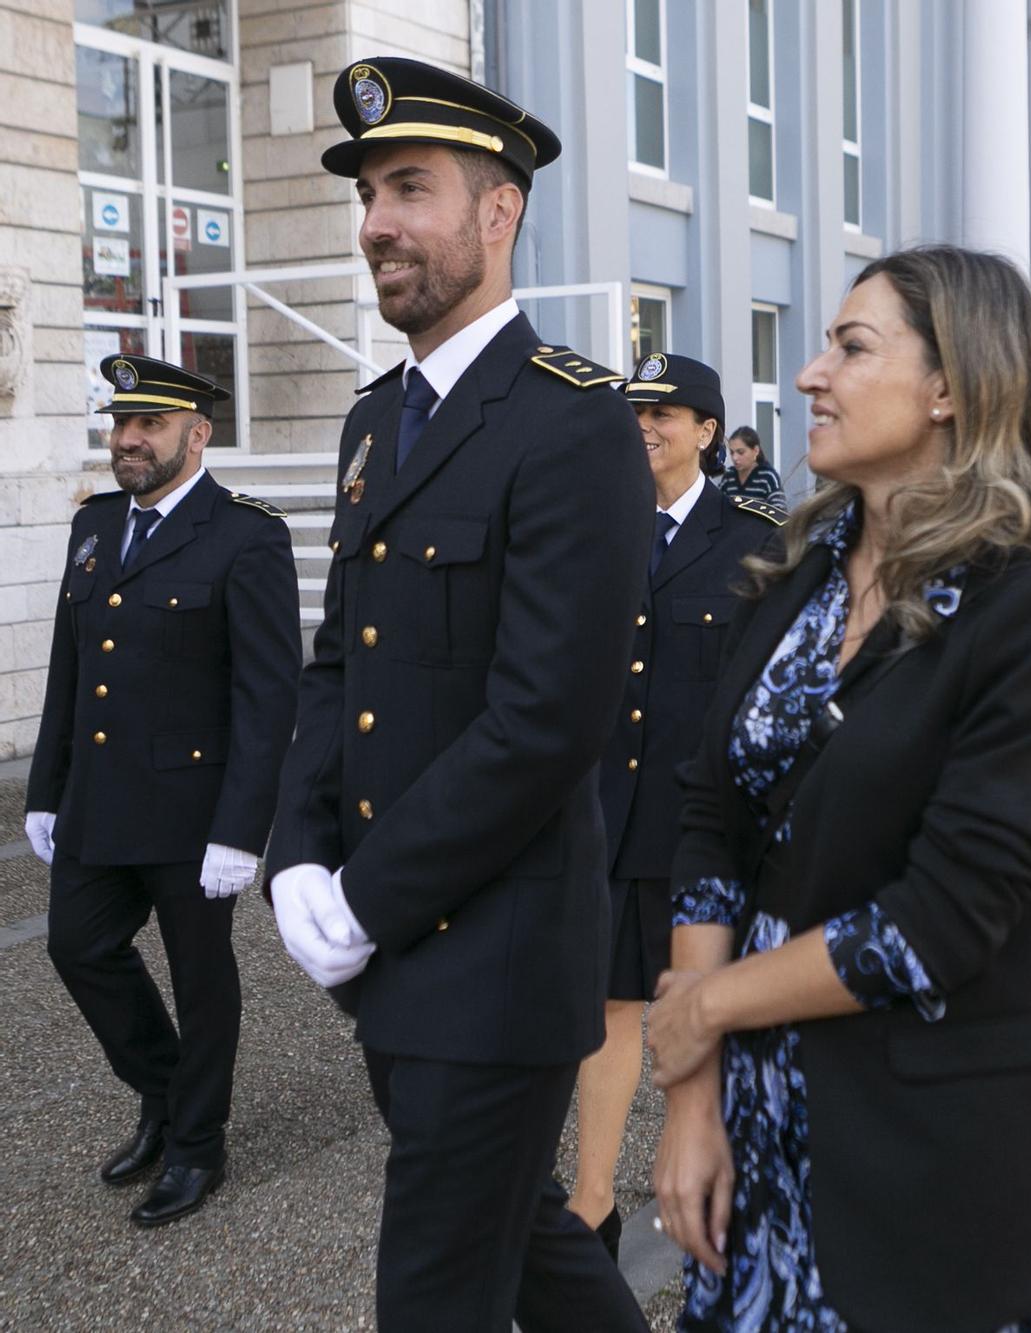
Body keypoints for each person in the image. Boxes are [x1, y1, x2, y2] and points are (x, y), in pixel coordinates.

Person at [643, 245, 1031, 1331]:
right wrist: (693, 1102)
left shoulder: (1030, 612)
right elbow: (708, 817)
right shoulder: (793, 572)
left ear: (949, 385)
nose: (810, 374)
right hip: (749, 1126)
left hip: (917, 1145)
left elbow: (941, 919)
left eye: (850, 348)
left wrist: (699, 1008)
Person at [263, 58, 652, 1332]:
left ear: (500, 214)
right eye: (370, 192)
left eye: (410, 187)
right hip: (391, 960)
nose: (375, 220)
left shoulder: (572, 422)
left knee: (434, 1291)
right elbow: (341, 665)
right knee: (523, 1233)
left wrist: (364, 897)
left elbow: (547, 720)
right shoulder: (377, 420)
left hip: (495, 963)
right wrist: (297, 852)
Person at [26, 355, 299, 1227]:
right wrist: (45, 788)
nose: (129, 440)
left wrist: (242, 828)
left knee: (203, 979)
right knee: (78, 945)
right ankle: (165, 1088)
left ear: (198, 433)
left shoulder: (246, 534)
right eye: (121, 425)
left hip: (193, 812)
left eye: (148, 425)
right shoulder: (97, 526)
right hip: (100, 800)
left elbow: (268, 694)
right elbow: (71, 665)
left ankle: (197, 1144)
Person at [565, 354, 784, 1260]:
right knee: (610, 1008)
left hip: (703, 828)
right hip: (605, 819)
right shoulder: (587, 526)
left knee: (709, 1012)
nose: (646, 424)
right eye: (636, 411)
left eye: (668, 412)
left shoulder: (755, 540)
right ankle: (590, 1203)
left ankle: (715, 1185)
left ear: (708, 431)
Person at [721, 424, 788, 513]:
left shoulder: (768, 477)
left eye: (740, 452)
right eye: (732, 453)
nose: (735, 458)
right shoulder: (729, 476)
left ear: (756, 450)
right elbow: (718, 505)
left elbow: (780, 512)